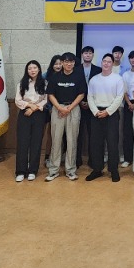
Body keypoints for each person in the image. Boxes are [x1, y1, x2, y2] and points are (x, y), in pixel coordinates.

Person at [45, 52, 87, 181]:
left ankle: (70, 170)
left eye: (71, 62)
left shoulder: (79, 76)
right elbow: (50, 94)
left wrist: (69, 108)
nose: (69, 64)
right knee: (56, 140)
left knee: (72, 140)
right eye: (66, 61)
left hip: (73, 109)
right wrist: (59, 107)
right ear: (62, 63)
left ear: (74, 63)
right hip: (58, 110)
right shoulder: (55, 77)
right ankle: (53, 170)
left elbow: (81, 94)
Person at [86, 54, 125, 182]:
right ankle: (97, 169)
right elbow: (90, 97)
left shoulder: (118, 79)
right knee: (96, 143)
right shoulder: (94, 79)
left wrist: (107, 112)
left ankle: (113, 170)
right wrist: (96, 111)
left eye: (109, 62)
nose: (106, 63)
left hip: (111, 114)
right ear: (101, 62)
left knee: (112, 143)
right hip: (96, 113)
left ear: (112, 64)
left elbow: (119, 97)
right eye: (104, 61)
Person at [14, 60, 47, 182]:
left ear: (39, 69)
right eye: (30, 68)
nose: (32, 70)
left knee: (36, 142)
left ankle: (33, 170)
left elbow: (46, 99)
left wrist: (34, 108)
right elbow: (18, 100)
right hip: (25, 113)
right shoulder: (22, 83)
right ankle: (20, 171)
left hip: (38, 114)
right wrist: (29, 105)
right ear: (27, 70)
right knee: (22, 142)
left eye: (35, 68)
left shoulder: (44, 83)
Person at [77, 46, 101, 169]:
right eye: (85, 53)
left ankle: (93, 160)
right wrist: (80, 101)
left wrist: (90, 103)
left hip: (94, 107)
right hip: (78, 106)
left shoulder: (98, 70)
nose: (87, 55)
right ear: (82, 55)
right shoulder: (76, 69)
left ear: (93, 55)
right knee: (78, 134)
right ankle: (77, 160)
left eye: (90, 53)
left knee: (94, 135)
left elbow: (100, 89)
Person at [119, 50, 134, 168]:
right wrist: (129, 103)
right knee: (127, 132)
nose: (133, 60)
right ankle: (128, 158)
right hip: (129, 105)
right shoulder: (126, 74)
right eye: (131, 58)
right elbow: (124, 91)